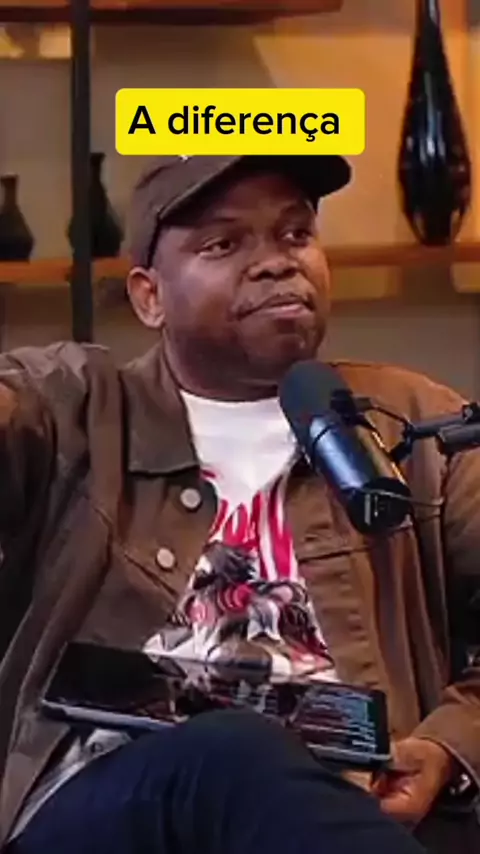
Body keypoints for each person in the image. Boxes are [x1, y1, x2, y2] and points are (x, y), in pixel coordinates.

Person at [0, 153, 478, 854]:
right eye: (224, 244)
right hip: (105, 811)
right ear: (149, 297)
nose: (277, 262)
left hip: (335, 816)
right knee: (228, 750)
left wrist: (446, 747)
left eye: (295, 234)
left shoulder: (411, 419)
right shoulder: (75, 406)